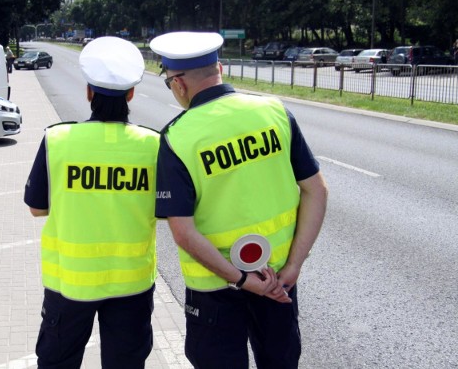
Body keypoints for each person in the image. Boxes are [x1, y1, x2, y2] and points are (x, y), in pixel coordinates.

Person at [150, 31, 328, 369]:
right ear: (220, 67)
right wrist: (292, 268)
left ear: (179, 84)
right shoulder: (273, 111)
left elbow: (184, 233)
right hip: (279, 280)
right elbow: (317, 190)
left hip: (214, 291)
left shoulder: (177, 138)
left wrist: (244, 281)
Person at [24, 36, 160, 369]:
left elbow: (37, 207)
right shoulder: (154, 146)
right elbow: (168, 211)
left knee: (58, 362)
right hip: (131, 285)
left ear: (88, 93)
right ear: (130, 94)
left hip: (70, 284)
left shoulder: (58, 140)